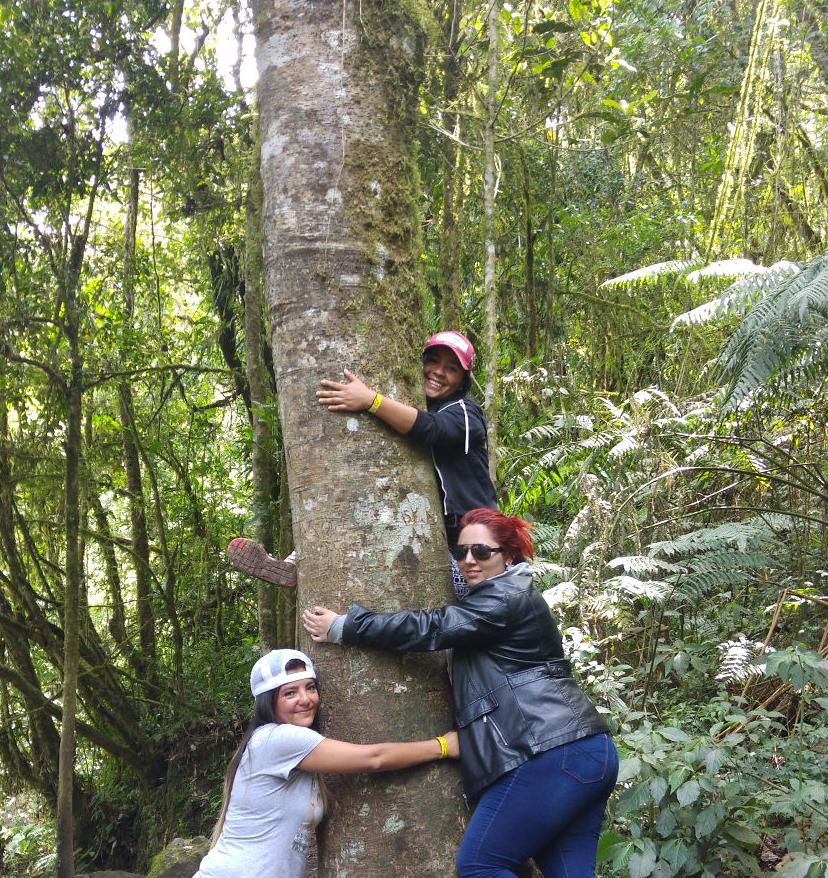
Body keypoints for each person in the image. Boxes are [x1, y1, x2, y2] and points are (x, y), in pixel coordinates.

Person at [302, 509, 618, 878]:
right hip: (587, 751)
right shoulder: (501, 594)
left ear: (509, 555)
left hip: (551, 750)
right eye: (461, 551)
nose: (469, 560)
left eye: (482, 552)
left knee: (481, 865)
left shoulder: (505, 596)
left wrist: (347, 626)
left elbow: (434, 627)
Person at [227, 331, 496, 591]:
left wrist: (371, 400)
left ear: (463, 380)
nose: (438, 371)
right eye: (432, 361)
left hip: (477, 542)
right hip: (435, 532)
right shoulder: (419, 406)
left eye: (451, 368)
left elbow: (431, 428)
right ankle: (296, 561)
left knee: (468, 611)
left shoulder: (464, 412)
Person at [192, 648, 459, 878]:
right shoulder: (277, 739)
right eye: (290, 693)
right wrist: (443, 746)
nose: (306, 699)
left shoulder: (289, 750)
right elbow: (374, 759)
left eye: (310, 687)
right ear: (268, 701)